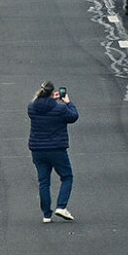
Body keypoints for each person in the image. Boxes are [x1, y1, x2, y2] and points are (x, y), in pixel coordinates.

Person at [28, 81, 78, 223]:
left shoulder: (31, 107)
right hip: (57, 149)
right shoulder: (60, 109)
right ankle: (61, 206)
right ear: (52, 93)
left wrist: (50, 99)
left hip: (37, 149)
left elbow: (40, 105)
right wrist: (68, 102)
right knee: (67, 177)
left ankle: (46, 215)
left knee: (44, 182)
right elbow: (73, 117)